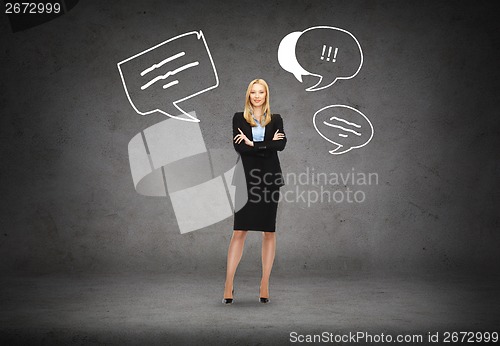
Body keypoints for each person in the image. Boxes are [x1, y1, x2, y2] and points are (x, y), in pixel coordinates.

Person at [223, 79, 287, 304]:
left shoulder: (276, 119)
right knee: (239, 231)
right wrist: (263, 145)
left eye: (261, 92)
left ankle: (264, 283)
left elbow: (281, 145)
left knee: (268, 232)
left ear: (266, 94)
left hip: (269, 180)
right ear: (248, 94)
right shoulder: (238, 118)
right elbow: (239, 147)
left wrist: (253, 144)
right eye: (253, 91)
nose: (257, 95)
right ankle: (229, 283)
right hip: (246, 179)